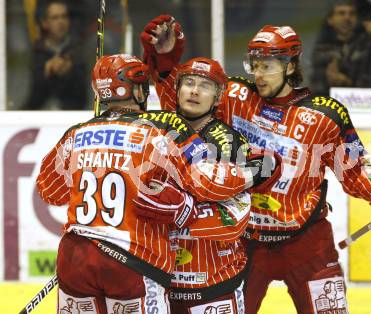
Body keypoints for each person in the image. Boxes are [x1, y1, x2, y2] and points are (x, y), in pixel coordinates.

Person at [140, 15, 371, 314]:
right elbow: (181, 105)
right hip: (244, 244)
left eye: (267, 66)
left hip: (307, 243)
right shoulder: (235, 96)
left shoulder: (325, 115)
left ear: (291, 66)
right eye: (254, 65)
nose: (259, 74)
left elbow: (356, 166)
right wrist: (166, 59)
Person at [36, 53, 267, 313]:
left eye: (204, 86)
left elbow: (50, 191)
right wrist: (253, 171)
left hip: (75, 259)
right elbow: (209, 182)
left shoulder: (74, 134)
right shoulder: (158, 133)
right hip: (133, 261)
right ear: (137, 90)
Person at [138, 23, 281, 311]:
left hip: (214, 279)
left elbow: (237, 208)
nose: (194, 91)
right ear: (177, 90)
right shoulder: (155, 128)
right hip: (159, 279)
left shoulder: (226, 142)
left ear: (217, 98)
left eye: (205, 86)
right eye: (189, 83)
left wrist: (180, 209)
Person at [310, 0, 371, 95]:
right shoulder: (321, 50)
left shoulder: (368, 46)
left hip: (365, 102)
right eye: (341, 13)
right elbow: (316, 85)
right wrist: (330, 81)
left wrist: (348, 84)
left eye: (352, 13)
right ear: (330, 19)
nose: (347, 17)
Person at [22, 0, 86, 110]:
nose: (60, 22)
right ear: (44, 23)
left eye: (64, 17)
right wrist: (46, 73)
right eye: (55, 18)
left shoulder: (79, 50)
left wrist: (71, 71)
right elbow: (30, 100)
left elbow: (84, 98)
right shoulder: (35, 53)